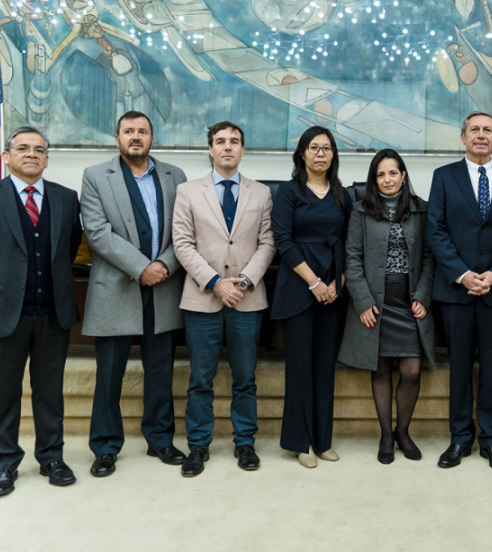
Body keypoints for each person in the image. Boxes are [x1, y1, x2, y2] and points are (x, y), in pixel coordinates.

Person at [0, 126, 82, 497]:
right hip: (2, 314)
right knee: (5, 392)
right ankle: (5, 464)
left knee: (50, 392)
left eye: (39, 149)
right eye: (23, 148)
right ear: (7, 156)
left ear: (46, 158)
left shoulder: (66, 198)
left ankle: (51, 457)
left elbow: (69, 247)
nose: (32, 154)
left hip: (52, 314)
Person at [81, 110, 188, 478]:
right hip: (116, 290)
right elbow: (97, 233)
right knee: (109, 375)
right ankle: (106, 447)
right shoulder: (96, 176)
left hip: (163, 289)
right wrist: (142, 266)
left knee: (160, 372)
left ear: (152, 138)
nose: (136, 137)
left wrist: (164, 266)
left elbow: (185, 232)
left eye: (143, 131)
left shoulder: (176, 176)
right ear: (118, 138)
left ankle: (160, 439)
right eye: (129, 131)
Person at [427, 111, 492, 472]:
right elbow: (436, 230)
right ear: (463, 138)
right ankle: (459, 438)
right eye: (475, 130)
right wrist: (462, 274)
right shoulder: (444, 177)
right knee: (458, 368)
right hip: (456, 291)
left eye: (488, 130)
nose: (481, 135)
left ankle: (491, 441)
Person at [172, 121, 276, 476]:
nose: (227, 147)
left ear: (243, 149)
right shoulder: (187, 191)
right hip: (203, 299)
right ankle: (198, 445)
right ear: (211, 149)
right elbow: (182, 244)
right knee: (200, 378)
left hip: (247, 301)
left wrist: (243, 281)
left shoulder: (261, 193)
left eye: (234, 141)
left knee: (245, 377)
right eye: (221, 142)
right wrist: (216, 282)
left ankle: (244, 442)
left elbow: (268, 243)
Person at [338, 149, 436, 464]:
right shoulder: (361, 210)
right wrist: (363, 301)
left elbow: (430, 256)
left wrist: (422, 295)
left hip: (409, 302)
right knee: (380, 367)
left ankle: (403, 432)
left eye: (393, 173)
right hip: (375, 302)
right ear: (373, 179)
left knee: (411, 370)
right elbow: (351, 257)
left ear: (403, 175)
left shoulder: (422, 210)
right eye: (380, 174)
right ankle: (385, 435)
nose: (387, 179)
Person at [271, 125, 352, 469]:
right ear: (302, 153)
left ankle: (322, 440)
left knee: (324, 367)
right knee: (300, 368)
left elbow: (352, 243)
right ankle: (300, 442)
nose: (321, 153)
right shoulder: (289, 192)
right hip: (299, 288)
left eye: (328, 148)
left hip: (333, 291)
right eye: (314, 148)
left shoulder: (341, 194)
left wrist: (338, 283)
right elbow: (283, 241)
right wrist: (315, 282)